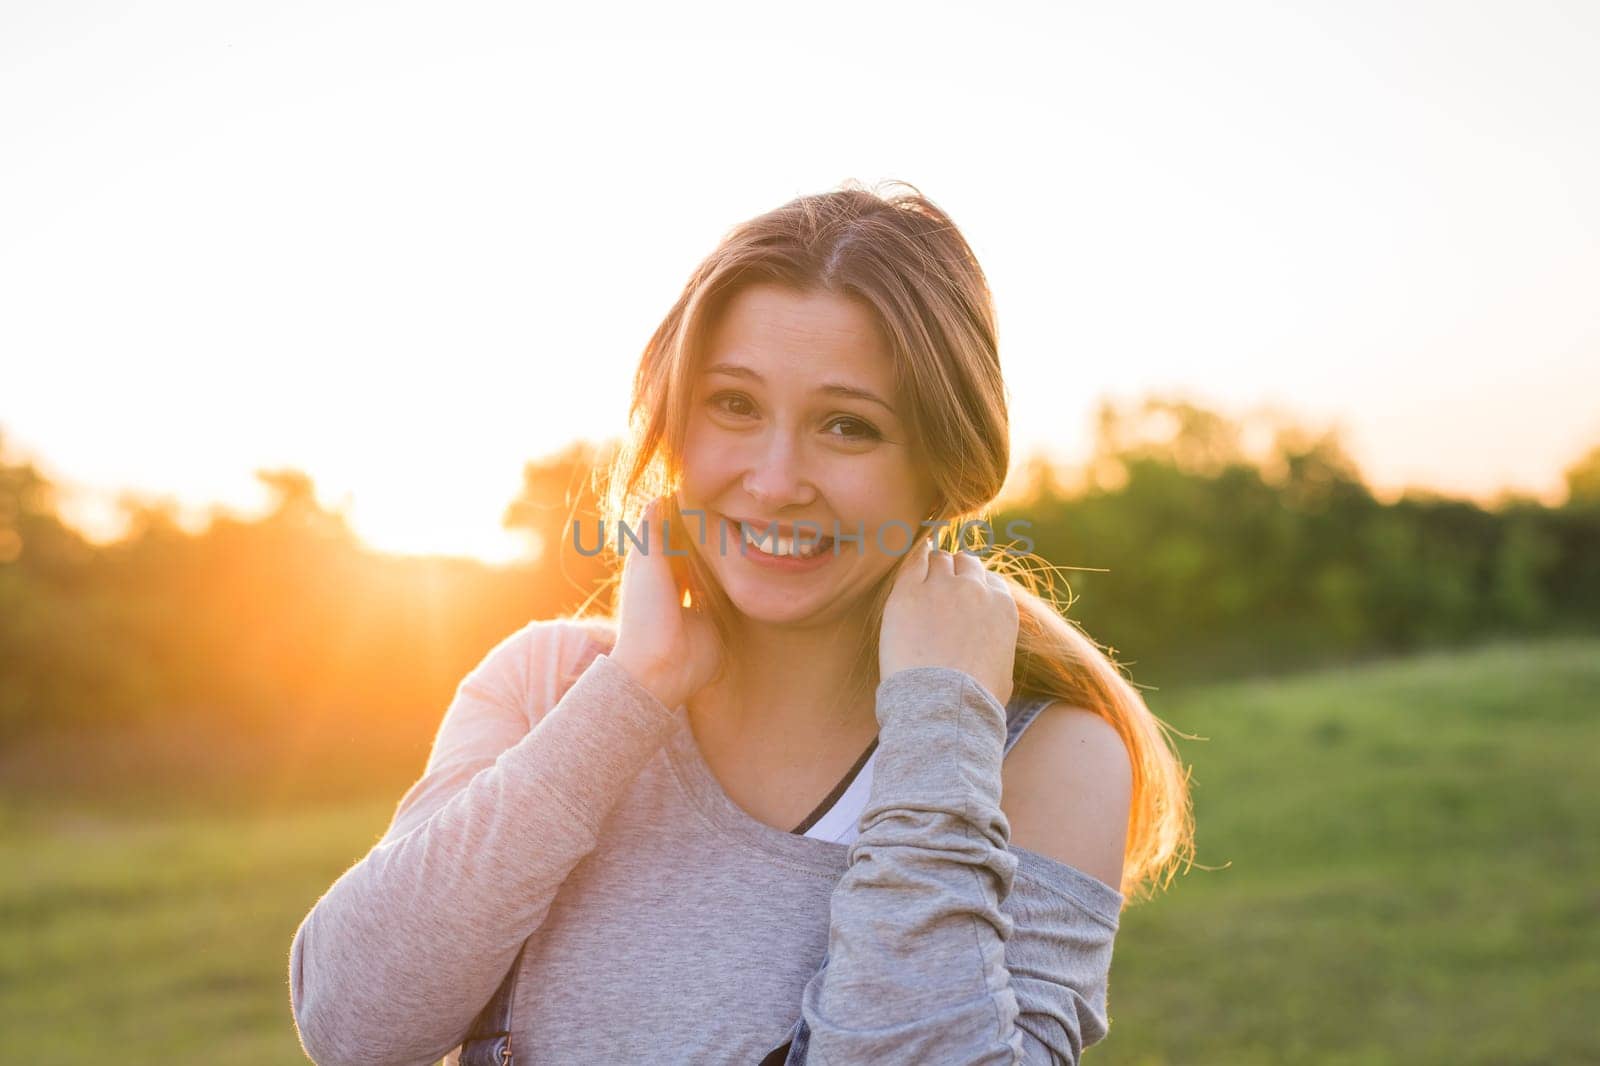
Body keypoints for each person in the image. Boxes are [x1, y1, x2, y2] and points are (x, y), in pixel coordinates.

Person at [288, 180, 1195, 1065]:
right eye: (735, 405)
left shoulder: (1038, 759)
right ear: (674, 424)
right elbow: (353, 1025)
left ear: (945, 469)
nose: (772, 480)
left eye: (847, 426)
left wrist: (937, 728)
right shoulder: (545, 685)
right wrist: (630, 693)